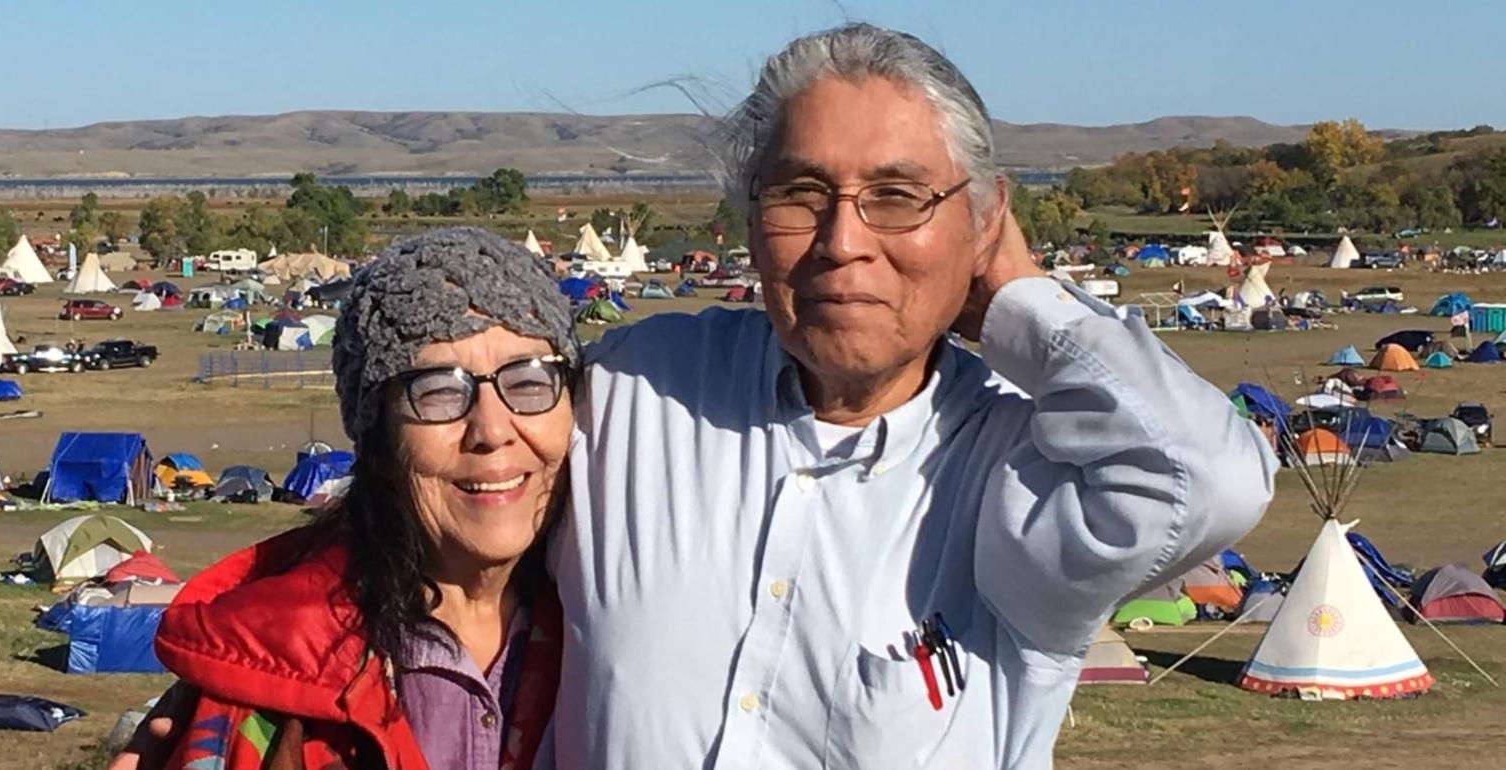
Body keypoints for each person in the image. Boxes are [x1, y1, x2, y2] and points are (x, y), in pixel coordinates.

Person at [118, 23, 1274, 770]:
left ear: (981, 214)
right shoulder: (635, 390)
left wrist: (1010, 294)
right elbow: (423, 497)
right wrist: (225, 712)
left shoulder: (1007, 479)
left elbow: (1209, 476)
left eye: (898, 197)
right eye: (800, 194)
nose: (841, 245)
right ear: (747, 221)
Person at [135, 228, 576, 770]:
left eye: (529, 381)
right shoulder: (265, 681)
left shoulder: (620, 631)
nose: (492, 428)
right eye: (438, 390)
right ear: (377, 436)